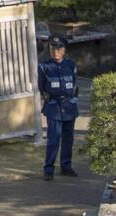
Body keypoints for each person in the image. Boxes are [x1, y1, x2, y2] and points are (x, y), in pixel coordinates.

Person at [38, 36, 78, 182]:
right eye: (52, 48)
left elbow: (75, 86)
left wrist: (73, 100)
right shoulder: (44, 67)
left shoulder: (71, 65)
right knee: (53, 139)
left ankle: (66, 166)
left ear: (64, 50)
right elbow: (41, 87)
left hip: (69, 107)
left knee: (68, 139)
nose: (55, 52)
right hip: (53, 108)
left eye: (59, 48)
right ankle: (49, 169)